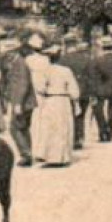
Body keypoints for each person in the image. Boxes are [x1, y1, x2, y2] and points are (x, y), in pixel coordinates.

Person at [29, 39, 80, 167]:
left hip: (50, 100)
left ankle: (50, 155)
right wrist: (74, 98)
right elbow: (74, 89)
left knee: (49, 127)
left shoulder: (45, 70)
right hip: (63, 101)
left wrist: (45, 91)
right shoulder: (66, 70)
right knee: (63, 127)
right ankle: (62, 156)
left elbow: (39, 87)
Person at [0, 37, 37, 167]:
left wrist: (18, 104)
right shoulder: (15, 62)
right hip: (24, 102)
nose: (6, 54)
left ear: (13, 51)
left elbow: (22, 85)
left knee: (14, 128)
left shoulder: (19, 63)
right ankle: (28, 153)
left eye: (8, 52)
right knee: (23, 128)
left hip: (22, 102)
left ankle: (25, 155)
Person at [58, 39, 93, 150]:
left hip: (69, 91)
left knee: (70, 115)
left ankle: (72, 139)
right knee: (81, 116)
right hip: (84, 91)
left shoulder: (62, 60)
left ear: (66, 45)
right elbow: (91, 77)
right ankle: (79, 138)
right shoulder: (86, 59)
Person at [88, 35, 112, 143]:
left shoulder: (97, 61)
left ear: (102, 47)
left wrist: (92, 92)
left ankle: (103, 131)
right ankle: (110, 128)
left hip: (100, 90)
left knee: (98, 110)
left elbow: (93, 78)